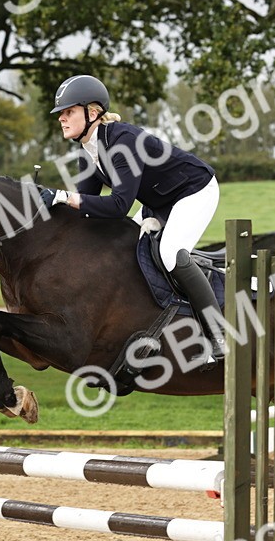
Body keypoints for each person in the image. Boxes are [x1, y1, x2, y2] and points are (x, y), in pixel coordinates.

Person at [41, 74, 226, 361]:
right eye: (61, 114)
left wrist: (63, 197)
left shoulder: (123, 141)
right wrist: (48, 210)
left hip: (194, 190)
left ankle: (217, 335)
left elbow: (118, 206)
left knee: (169, 254)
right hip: (160, 202)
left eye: (68, 112)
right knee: (128, 251)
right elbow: (86, 211)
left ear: (92, 113)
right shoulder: (88, 150)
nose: (61, 119)